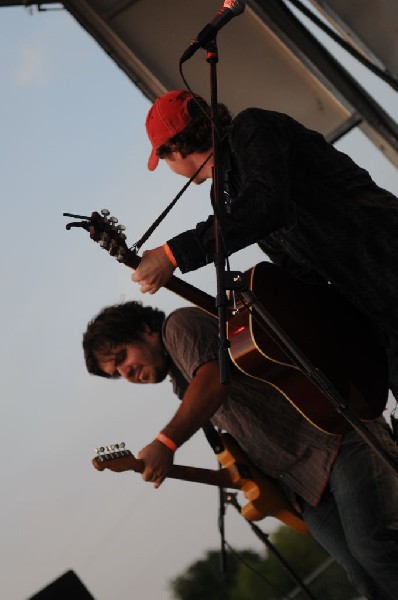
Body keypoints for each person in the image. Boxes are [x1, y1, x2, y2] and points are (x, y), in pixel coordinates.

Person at [82, 299, 398, 600]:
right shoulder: (179, 380)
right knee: (364, 575)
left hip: (334, 440)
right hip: (302, 485)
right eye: (116, 374)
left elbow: (213, 381)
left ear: (144, 330)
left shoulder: (179, 326)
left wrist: (166, 443)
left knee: (373, 548)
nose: (126, 374)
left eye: (121, 357)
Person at [131, 89, 398, 399]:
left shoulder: (251, 128)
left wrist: (173, 253)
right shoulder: (223, 194)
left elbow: (266, 204)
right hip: (375, 311)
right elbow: (294, 267)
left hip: (385, 254)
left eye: (161, 157)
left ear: (174, 148)